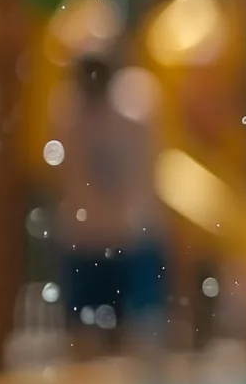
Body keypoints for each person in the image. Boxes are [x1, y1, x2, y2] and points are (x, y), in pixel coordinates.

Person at [55, 54, 168, 360]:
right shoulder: (74, 118)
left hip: (123, 238)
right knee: (90, 338)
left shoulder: (124, 114)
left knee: (138, 335)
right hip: (98, 239)